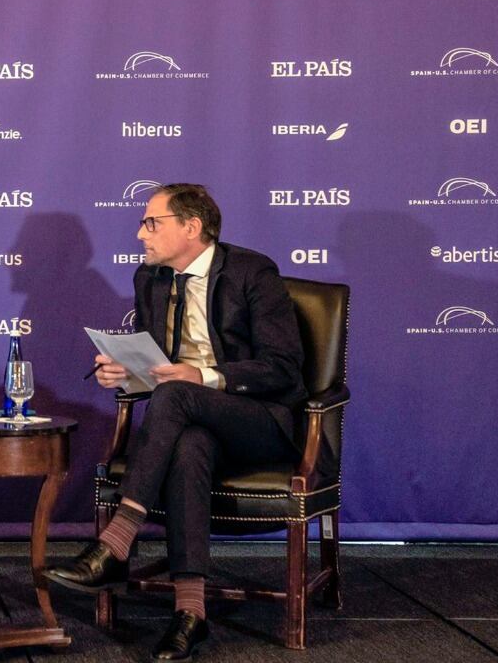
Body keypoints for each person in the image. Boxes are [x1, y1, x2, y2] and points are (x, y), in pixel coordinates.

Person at [44, 184, 306, 661]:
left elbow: (283, 368)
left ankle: (117, 538)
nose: (140, 232)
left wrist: (202, 375)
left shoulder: (252, 272)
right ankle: (190, 614)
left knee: (179, 394)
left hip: (260, 421)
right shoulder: (151, 278)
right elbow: (159, 367)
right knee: (189, 448)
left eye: (152, 222)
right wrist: (127, 372)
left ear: (192, 227)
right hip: (190, 419)